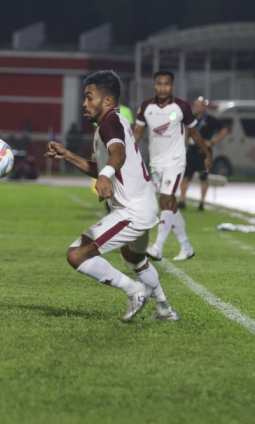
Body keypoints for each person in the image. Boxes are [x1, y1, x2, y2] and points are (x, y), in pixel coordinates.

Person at [45, 70, 179, 322]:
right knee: (134, 259)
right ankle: (164, 309)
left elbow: (119, 154)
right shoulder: (111, 124)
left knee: (76, 254)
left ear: (107, 101)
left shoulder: (110, 123)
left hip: (131, 212)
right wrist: (68, 155)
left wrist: (106, 176)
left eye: (89, 97)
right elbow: (100, 167)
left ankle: (135, 291)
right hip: (144, 207)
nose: (84, 103)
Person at [134, 71, 212, 261]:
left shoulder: (181, 107)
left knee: (166, 200)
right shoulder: (146, 107)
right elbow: (137, 134)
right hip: (156, 163)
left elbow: (194, 133)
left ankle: (158, 247)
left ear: (173, 86)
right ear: (154, 85)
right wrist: (123, 150)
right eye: (159, 84)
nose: (163, 87)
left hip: (175, 162)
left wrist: (207, 153)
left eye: (166, 84)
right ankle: (186, 247)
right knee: (172, 205)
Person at [178, 97, 229, 211]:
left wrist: (213, 142)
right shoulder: (191, 119)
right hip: (192, 149)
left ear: (205, 107)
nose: (197, 108)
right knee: (185, 176)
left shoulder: (210, 120)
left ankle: (202, 202)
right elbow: (187, 132)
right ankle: (182, 200)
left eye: (200, 105)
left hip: (204, 151)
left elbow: (224, 130)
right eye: (196, 105)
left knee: (203, 177)